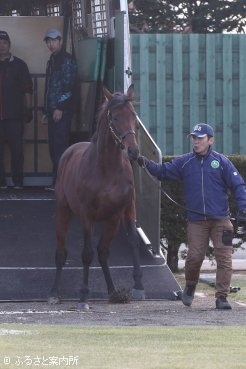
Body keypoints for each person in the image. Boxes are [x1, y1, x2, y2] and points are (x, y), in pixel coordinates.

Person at [138, 123, 246, 310]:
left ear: (210, 140)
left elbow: (238, 185)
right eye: (194, 138)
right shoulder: (185, 162)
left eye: (200, 138)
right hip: (196, 221)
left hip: (221, 219)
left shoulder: (221, 162)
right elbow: (162, 172)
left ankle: (221, 297)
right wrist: (143, 161)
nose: (196, 141)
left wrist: (244, 209)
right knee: (195, 257)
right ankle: (190, 285)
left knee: (224, 259)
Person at [41, 28, 77, 190]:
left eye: (54, 40)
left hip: (62, 111)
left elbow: (69, 87)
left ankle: (61, 182)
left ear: (61, 41)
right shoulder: (52, 59)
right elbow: (49, 88)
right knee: (54, 147)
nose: (51, 44)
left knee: (60, 147)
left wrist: (60, 108)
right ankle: (57, 181)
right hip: (52, 111)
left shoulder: (67, 60)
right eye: (48, 41)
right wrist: (45, 111)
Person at [0, 30, 33, 189]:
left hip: (15, 116)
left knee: (17, 151)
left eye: (4, 42)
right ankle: (1, 183)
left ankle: (18, 182)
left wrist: (28, 109)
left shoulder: (20, 65)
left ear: (9, 45)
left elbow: (27, 89)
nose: (1, 46)